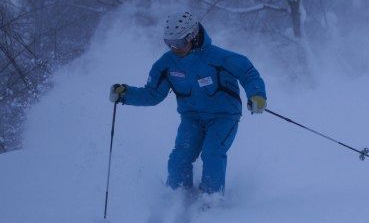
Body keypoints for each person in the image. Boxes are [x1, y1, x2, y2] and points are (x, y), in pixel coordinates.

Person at [109, 11, 266, 202]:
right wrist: (126, 94)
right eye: (169, 42)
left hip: (223, 117)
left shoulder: (219, 57)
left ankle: (211, 198)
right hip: (192, 118)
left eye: (179, 42)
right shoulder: (166, 65)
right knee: (179, 158)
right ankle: (177, 195)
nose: (175, 48)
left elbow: (248, 73)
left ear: (192, 35)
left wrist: (257, 96)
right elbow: (152, 94)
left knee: (212, 152)